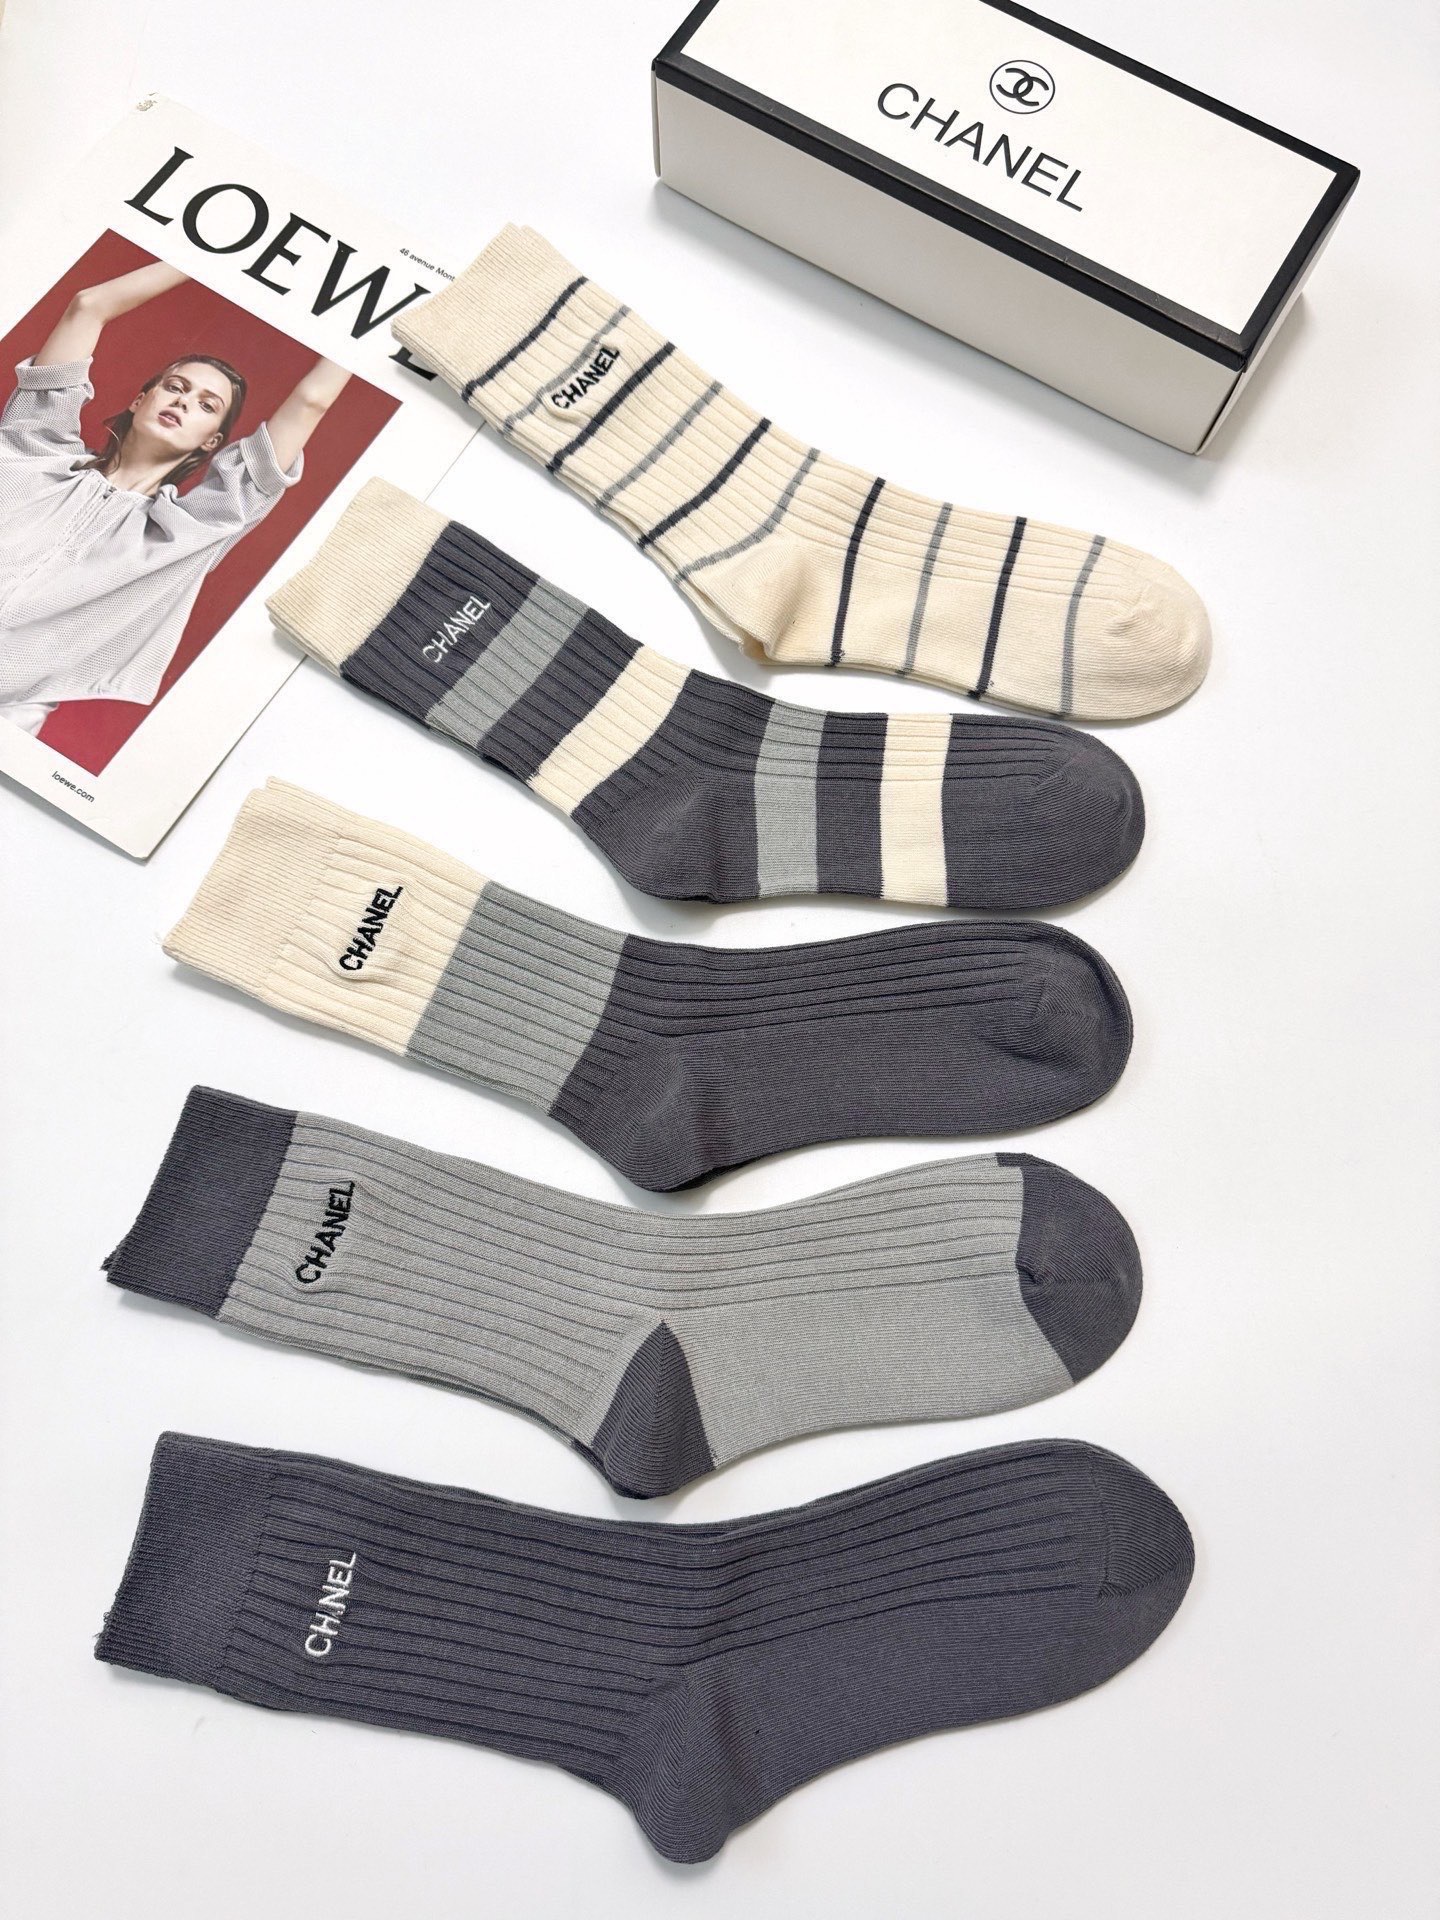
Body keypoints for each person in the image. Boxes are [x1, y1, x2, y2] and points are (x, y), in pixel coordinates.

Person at [0, 260, 352, 735]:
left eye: (207, 405)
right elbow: (88, 306)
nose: (184, 401)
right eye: (175, 387)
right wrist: (212, 251)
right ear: (139, 400)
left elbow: (312, 401)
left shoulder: (191, 534)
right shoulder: (34, 447)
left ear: (212, 442)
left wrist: (357, 319)